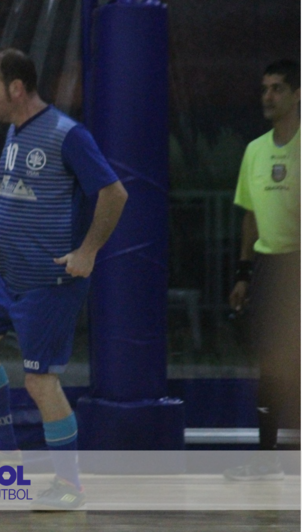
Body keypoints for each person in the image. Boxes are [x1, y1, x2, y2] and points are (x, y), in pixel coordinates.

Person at [0, 48, 128, 509]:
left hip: (49, 283)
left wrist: (87, 251)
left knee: (39, 383)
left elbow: (115, 193)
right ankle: (2, 449)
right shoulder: (14, 132)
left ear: (16, 88)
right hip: (9, 276)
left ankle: (70, 487)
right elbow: (15, 201)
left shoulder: (67, 135)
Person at [225, 60, 300, 481]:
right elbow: (250, 217)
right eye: (264, 89)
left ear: (298, 95)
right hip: (270, 269)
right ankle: (267, 458)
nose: (269, 97)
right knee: (270, 364)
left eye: (278, 88)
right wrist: (243, 273)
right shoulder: (254, 150)